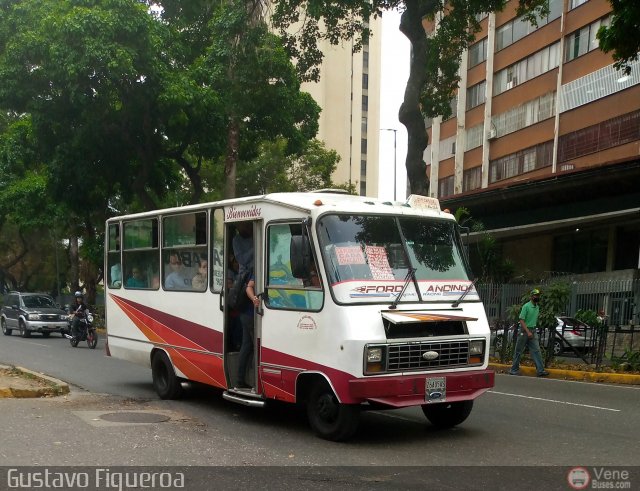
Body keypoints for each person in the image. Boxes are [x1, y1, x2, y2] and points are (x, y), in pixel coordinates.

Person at [232, 222, 256, 390]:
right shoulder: (236, 240)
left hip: (248, 307)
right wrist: (260, 246)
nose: (245, 228)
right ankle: (256, 381)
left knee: (248, 344)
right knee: (256, 344)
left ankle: (240, 379)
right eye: (241, 226)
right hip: (246, 304)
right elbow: (243, 260)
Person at [509, 288, 549, 377]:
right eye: (535, 295)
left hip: (533, 330)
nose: (537, 297)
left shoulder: (537, 307)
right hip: (524, 331)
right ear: (531, 296)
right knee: (518, 351)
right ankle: (513, 369)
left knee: (536, 351)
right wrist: (528, 331)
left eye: (538, 295)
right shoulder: (526, 306)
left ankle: (540, 370)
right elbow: (521, 320)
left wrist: (532, 331)